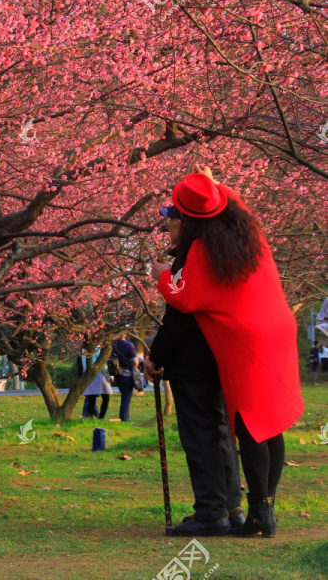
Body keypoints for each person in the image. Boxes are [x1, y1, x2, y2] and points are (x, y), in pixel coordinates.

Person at [151, 165, 305, 538]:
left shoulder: (203, 251)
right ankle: (262, 509)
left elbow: (183, 298)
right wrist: (212, 181)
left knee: (249, 424)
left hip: (244, 340)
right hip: (278, 330)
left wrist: (160, 273)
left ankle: (258, 516)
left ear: (187, 220)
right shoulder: (247, 230)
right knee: (269, 424)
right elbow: (227, 198)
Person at [144, 204, 244, 537]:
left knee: (201, 437)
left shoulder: (191, 259)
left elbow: (179, 316)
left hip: (193, 363)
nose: (168, 231)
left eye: (171, 224)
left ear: (186, 226)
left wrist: (155, 357)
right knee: (219, 433)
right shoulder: (220, 253)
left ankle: (211, 512)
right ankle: (230, 508)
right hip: (217, 358)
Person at [110, 334, 139, 422]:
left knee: (124, 396)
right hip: (127, 375)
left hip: (117, 374)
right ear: (125, 334)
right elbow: (135, 361)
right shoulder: (129, 345)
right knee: (126, 397)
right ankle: (124, 418)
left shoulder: (112, 345)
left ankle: (124, 416)